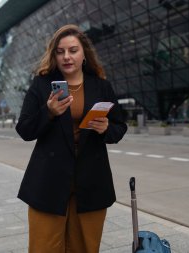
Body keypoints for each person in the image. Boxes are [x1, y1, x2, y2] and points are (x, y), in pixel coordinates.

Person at [16, 24, 127, 253]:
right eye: (60, 51)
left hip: (91, 181)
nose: (67, 57)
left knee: (85, 247)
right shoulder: (41, 85)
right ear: (54, 55)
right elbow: (25, 130)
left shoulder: (101, 86)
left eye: (73, 50)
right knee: (43, 247)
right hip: (48, 182)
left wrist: (106, 128)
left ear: (84, 53)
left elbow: (120, 127)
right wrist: (49, 112)